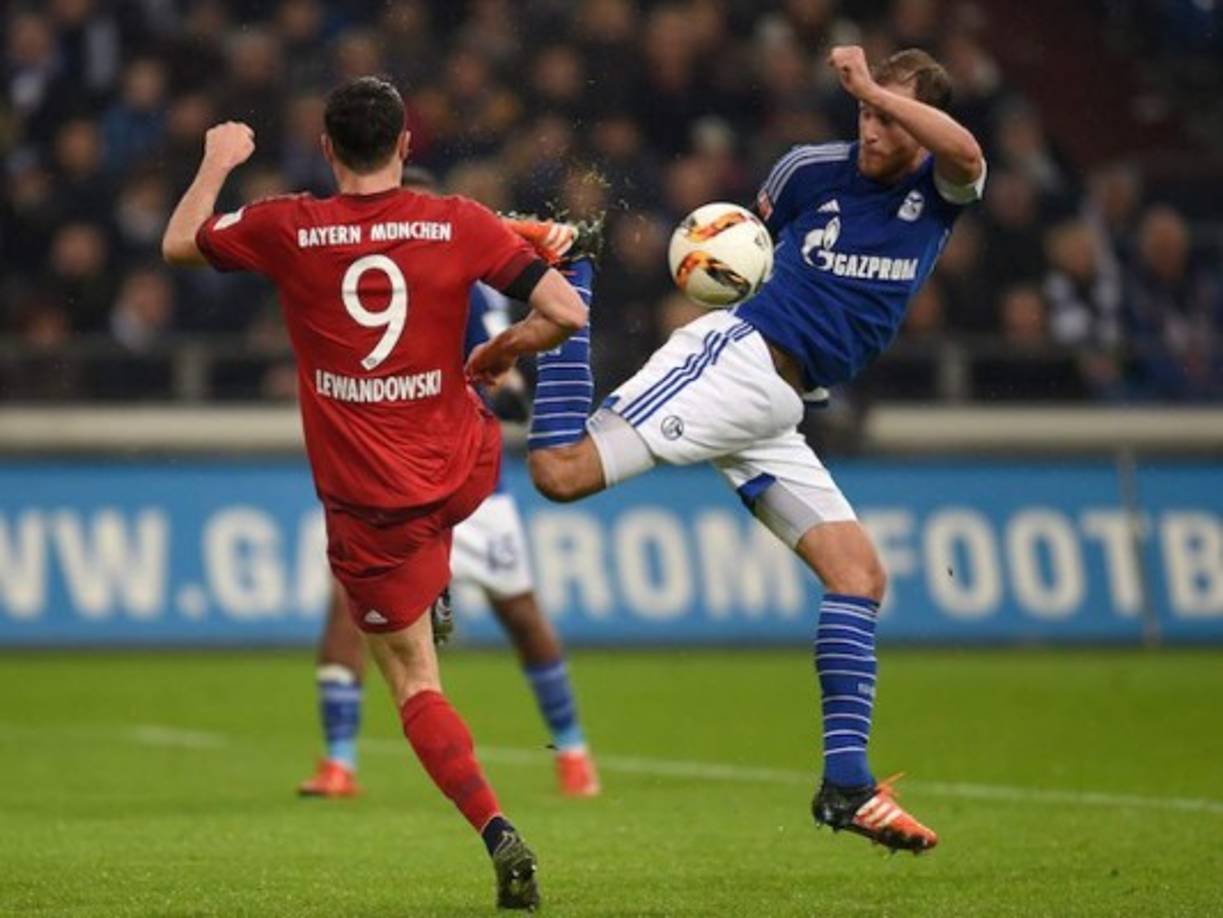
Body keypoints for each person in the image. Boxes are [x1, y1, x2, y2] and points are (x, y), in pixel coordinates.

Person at [469, 46, 987, 854]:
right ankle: (572, 271)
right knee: (559, 472)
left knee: (858, 575)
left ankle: (846, 784)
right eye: (863, 111)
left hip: (779, 409)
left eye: (890, 114)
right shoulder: (809, 173)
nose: (871, 127)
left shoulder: (939, 188)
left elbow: (965, 153)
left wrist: (866, 85)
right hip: (738, 362)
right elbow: (746, 249)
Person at [162, 76, 590, 910]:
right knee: (470, 452)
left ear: (326, 149)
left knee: (415, 686)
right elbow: (568, 310)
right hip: (463, 465)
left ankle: (497, 830)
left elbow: (180, 242)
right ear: (405, 145)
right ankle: (442, 587)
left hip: (370, 503)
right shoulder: (457, 218)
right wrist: (504, 349)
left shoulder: (290, 225)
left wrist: (215, 161)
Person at [300, 167, 601, 801]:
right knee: (344, 611)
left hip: (462, 486)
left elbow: (506, 364)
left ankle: (573, 751)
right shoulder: (362, 275)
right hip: (387, 479)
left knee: (519, 613)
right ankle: (339, 762)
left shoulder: (454, 275)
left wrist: (509, 385)